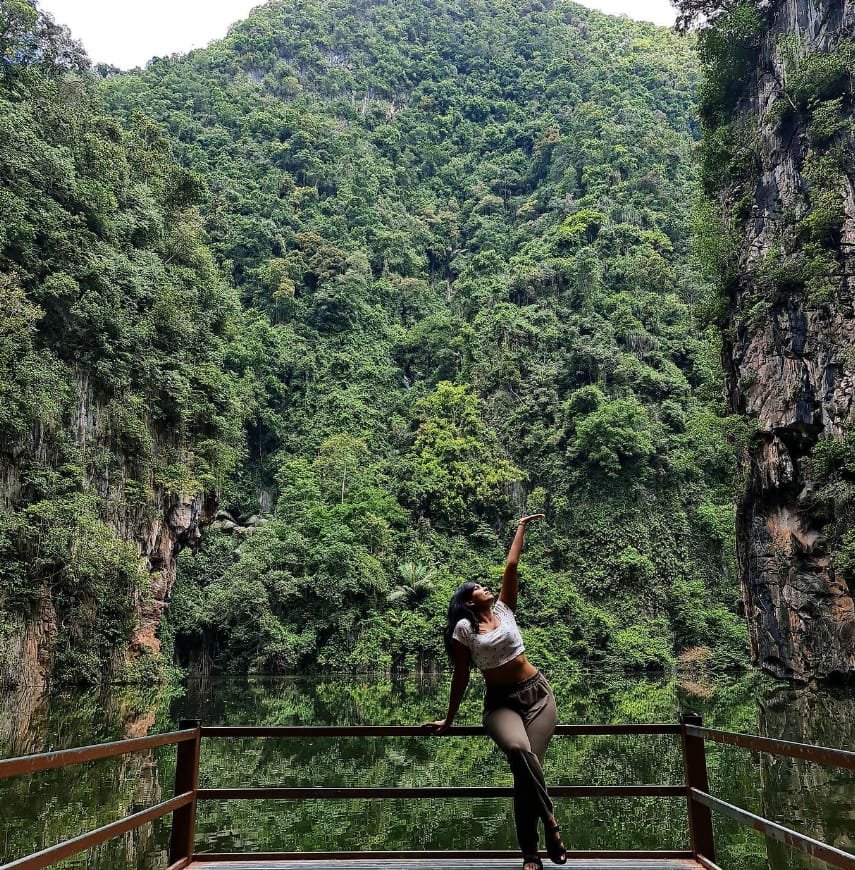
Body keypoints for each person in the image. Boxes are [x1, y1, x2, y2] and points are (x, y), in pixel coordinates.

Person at [424, 513, 567, 870]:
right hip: (501, 704)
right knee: (520, 751)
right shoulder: (463, 629)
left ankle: (530, 854)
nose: (485, 588)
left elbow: (512, 564)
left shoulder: (505, 609)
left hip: (538, 695)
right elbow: (461, 676)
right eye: (477, 587)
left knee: (526, 771)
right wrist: (450, 719)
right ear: (469, 601)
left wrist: (521, 525)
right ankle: (551, 822)